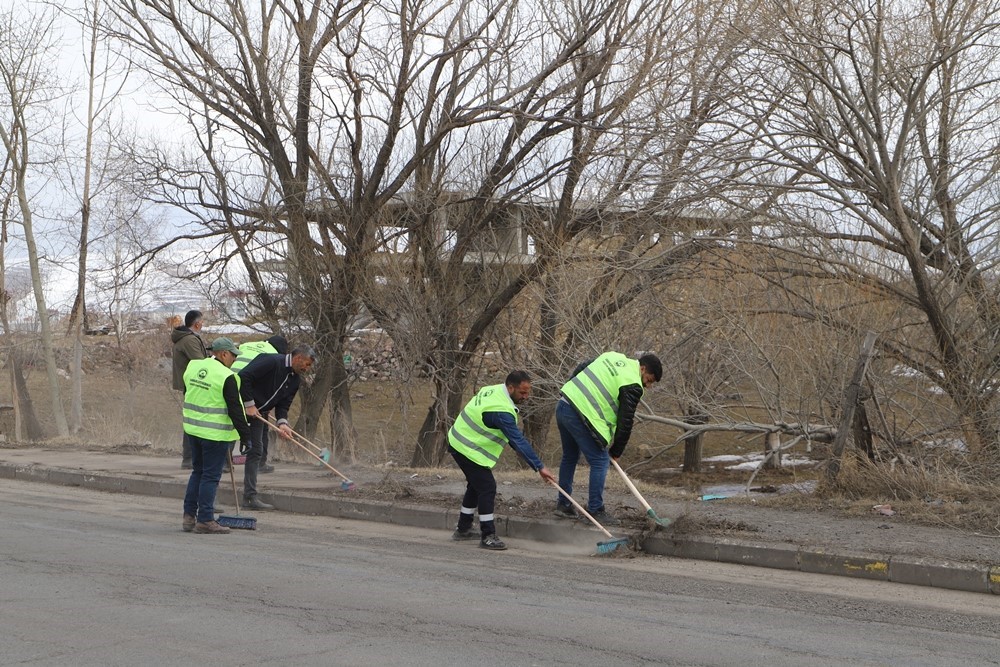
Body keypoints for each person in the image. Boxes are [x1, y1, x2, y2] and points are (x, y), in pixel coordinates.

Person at [448, 371, 555, 551]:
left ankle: (463, 529)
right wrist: (540, 467)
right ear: (510, 388)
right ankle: (488, 535)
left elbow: (515, 441)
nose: (526, 397)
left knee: (476, 485)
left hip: (461, 439)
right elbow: (517, 441)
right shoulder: (501, 411)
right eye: (522, 393)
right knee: (487, 487)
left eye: (528, 392)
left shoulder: (495, 389)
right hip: (466, 447)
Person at [553, 352, 662, 526]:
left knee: (570, 457)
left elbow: (582, 366)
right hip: (581, 416)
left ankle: (563, 505)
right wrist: (617, 451)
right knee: (600, 461)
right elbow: (625, 421)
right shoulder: (633, 383)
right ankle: (596, 510)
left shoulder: (612, 356)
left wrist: (571, 389)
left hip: (564, 405)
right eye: (649, 380)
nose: (647, 385)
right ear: (642, 368)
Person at [181, 337, 252, 535]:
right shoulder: (226, 376)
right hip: (214, 433)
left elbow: (188, 393)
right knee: (210, 476)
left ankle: (188, 517)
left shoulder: (193, 367)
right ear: (223, 354)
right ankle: (205, 519)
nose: (234, 360)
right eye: (233, 356)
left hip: (192, 430)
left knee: (198, 472)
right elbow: (235, 409)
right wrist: (245, 436)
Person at [238, 345, 316, 510]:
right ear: (298, 358)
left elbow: (283, 404)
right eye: (307, 364)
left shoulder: (295, 379)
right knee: (223, 445)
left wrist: (282, 423)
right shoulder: (272, 361)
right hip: (239, 406)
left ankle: (249, 497)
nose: (307, 368)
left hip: (259, 413)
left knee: (256, 450)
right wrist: (249, 403)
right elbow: (243, 376)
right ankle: (209, 494)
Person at [230, 335, 288, 473]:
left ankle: (225, 463)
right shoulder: (274, 356)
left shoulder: (247, 344)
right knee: (261, 422)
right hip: (247, 386)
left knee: (230, 424)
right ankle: (260, 463)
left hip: (229, 383)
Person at [171, 309, 208, 469]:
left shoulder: (186, 338)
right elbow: (201, 364)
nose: (203, 325)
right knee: (194, 421)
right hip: (195, 386)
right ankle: (189, 458)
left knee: (193, 420)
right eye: (202, 322)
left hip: (191, 385)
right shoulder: (190, 340)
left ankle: (191, 457)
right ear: (197, 323)